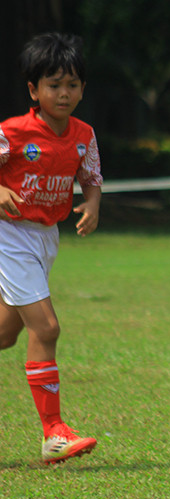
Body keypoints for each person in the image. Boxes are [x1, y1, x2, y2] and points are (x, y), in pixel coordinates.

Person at [0, 33, 103, 464]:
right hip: (9, 235)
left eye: (72, 84)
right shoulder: (12, 132)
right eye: (54, 84)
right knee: (46, 328)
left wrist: (92, 204)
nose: (64, 93)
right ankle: (54, 433)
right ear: (33, 90)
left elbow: (90, 177)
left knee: (6, 333)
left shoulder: (83, 135)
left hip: (45, 237)